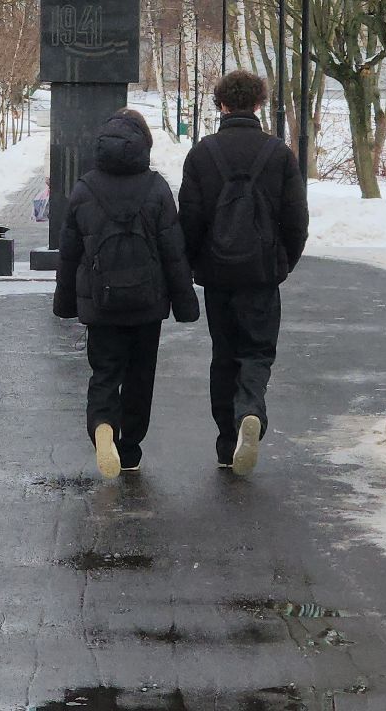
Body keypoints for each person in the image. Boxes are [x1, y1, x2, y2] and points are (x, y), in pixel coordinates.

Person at [52, 108, 199, 479]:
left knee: (104, 372)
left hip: (101, 303)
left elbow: (70, 252)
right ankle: (130, 449)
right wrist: (185, 304)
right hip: (147, 304)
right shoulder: (157, 188)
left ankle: (103, 426)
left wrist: (65, 302)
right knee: (140, 375)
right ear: (143, 146)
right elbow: (173, 250)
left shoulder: (84, 189)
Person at [177, 71, 308, 475]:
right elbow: (296, 220)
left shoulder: (202, 154)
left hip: (218, 275)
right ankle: (249, 411)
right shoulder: (279, 154)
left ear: (221, 104)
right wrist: (281, 263)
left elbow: (189, 220)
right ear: (258, 104)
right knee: (257, 352)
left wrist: (198, 264)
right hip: (262, 274)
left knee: (224, 355)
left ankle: (225, 442)